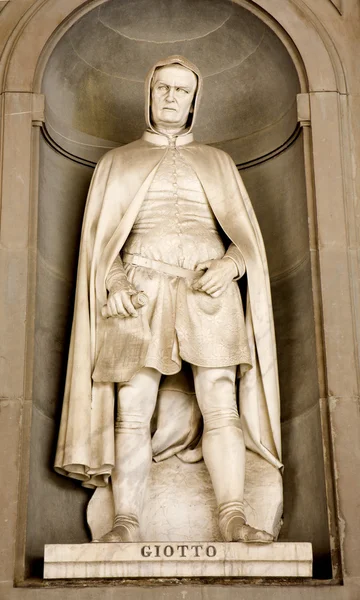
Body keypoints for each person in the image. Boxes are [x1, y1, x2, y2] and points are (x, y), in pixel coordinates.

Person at [55, 56, 282, 544]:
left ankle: (233, 516)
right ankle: (126, 521)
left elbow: (246, 239)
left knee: (221, 401)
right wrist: (113, 281)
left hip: (207, 289)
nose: (172, 97)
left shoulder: (218, 161)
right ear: (149, 94)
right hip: (140, 289)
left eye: (182, 90)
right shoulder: (117, 161)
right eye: (164, 88)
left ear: (195, 100)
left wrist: (231, 265)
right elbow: (100, 243)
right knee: (132, 404)